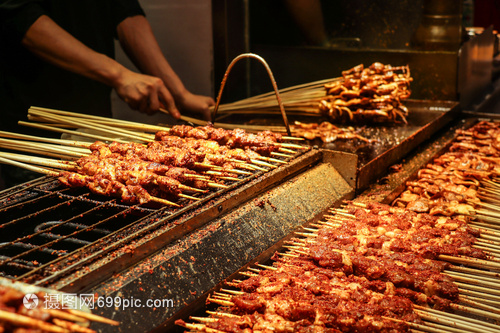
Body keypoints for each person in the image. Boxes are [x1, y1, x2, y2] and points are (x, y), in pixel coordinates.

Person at [0, 0, 215, 189]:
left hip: (96, 121)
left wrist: (179, 93)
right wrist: (119, 75)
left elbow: (123, 10)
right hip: (32, 130)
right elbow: (18, 15)